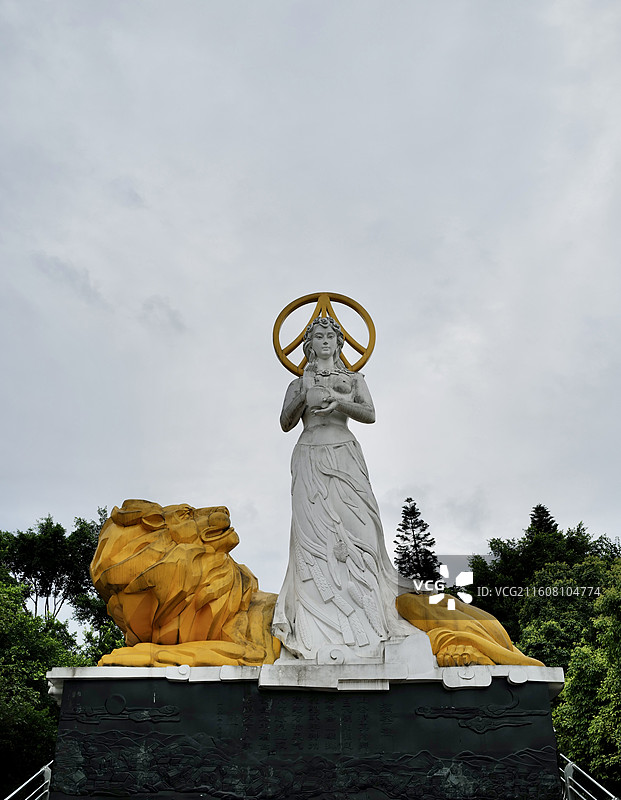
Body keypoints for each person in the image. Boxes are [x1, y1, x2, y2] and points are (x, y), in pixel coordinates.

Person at [272, 316, 414, 660]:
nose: (324, 341)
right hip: (308, 458)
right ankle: (318, 630)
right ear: (309, 344)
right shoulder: (298, 382)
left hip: (345, 457)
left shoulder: (353, 379)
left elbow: (369, 413)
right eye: (318, 336)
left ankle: (374, 623)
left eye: (330, 336)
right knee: (314, 542)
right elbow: (285, 422)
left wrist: (339, 402)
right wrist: (304, 396)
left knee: (361, 534)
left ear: (339, 343)